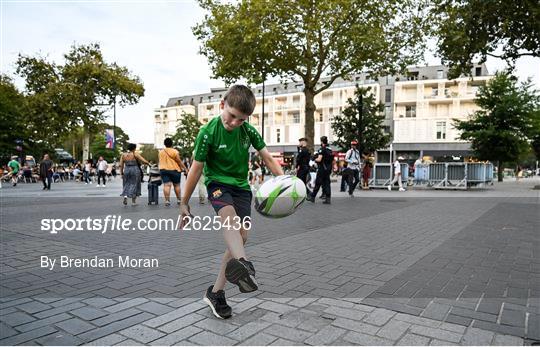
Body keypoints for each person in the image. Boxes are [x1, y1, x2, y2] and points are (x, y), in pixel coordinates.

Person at [179, 85, 283, 319]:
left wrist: (285, 182)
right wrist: (184, 203)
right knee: (229, 219)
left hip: (242, 188)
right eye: (232, 116)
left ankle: (216, 292)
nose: (235, 122)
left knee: (241, 237)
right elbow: (196, 169)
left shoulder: (248, 131)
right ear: (222, 105)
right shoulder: (208, 132)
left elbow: (267, 157)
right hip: (218, 185)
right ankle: (244, 263)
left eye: (241, 119)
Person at [159, 138, 188, 206]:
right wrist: (185, 168)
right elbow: (179, 161)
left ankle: (167, 201)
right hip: (175, 170)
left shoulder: (161, 152)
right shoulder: (175, 151)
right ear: (171, 143)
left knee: (166, 185)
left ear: (164, 144)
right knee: (177, 185)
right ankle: (178, 200)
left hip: (163, 170)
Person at [306, 136, 334, 204]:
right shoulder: (329, 149)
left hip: (322, 169)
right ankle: (328, 199)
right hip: (328, 169)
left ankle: (312, 197)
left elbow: (319, 159)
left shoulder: (322, 149)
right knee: (327, 183)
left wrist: (314, 159)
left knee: (318, 183)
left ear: (321, 141)